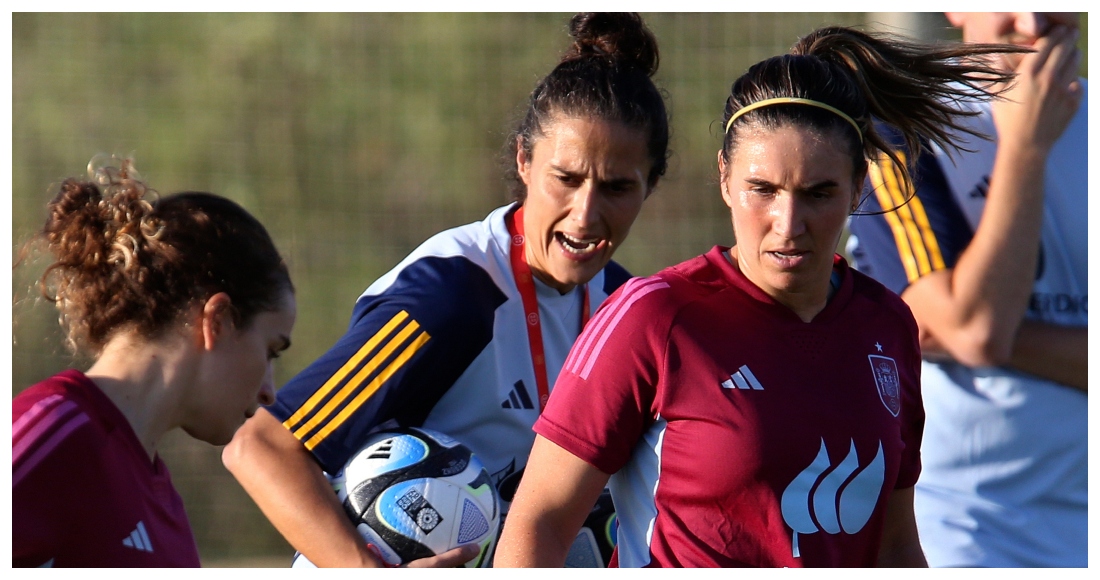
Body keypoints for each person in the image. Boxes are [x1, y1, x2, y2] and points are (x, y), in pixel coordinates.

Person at [494, 25, 1024, 568]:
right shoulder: (653, 316)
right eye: (762, 190)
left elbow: (894, 546)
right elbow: (539, 522)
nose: (787, 224)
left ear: (859, 185)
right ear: (725, 179)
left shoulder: (886, 325)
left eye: (818, 193)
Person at [221, 12, 670, 568]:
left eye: (618, 187)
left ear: (651, 185)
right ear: (524, 160)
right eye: (567, 178)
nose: (585, 214)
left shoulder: (629, 311)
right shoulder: (454, 295)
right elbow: (260, 448)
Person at [845, 13, 1085, 567]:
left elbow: (964, 328)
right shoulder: (899, 123)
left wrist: (961, 329)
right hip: (960, 527)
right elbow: (973, 326)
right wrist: (1025, 147)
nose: (1031, 20)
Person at [12, 158, 297, 567]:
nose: (270, 391)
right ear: (217, 320)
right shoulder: (56, 432)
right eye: (270, 351)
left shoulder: (164, 504)